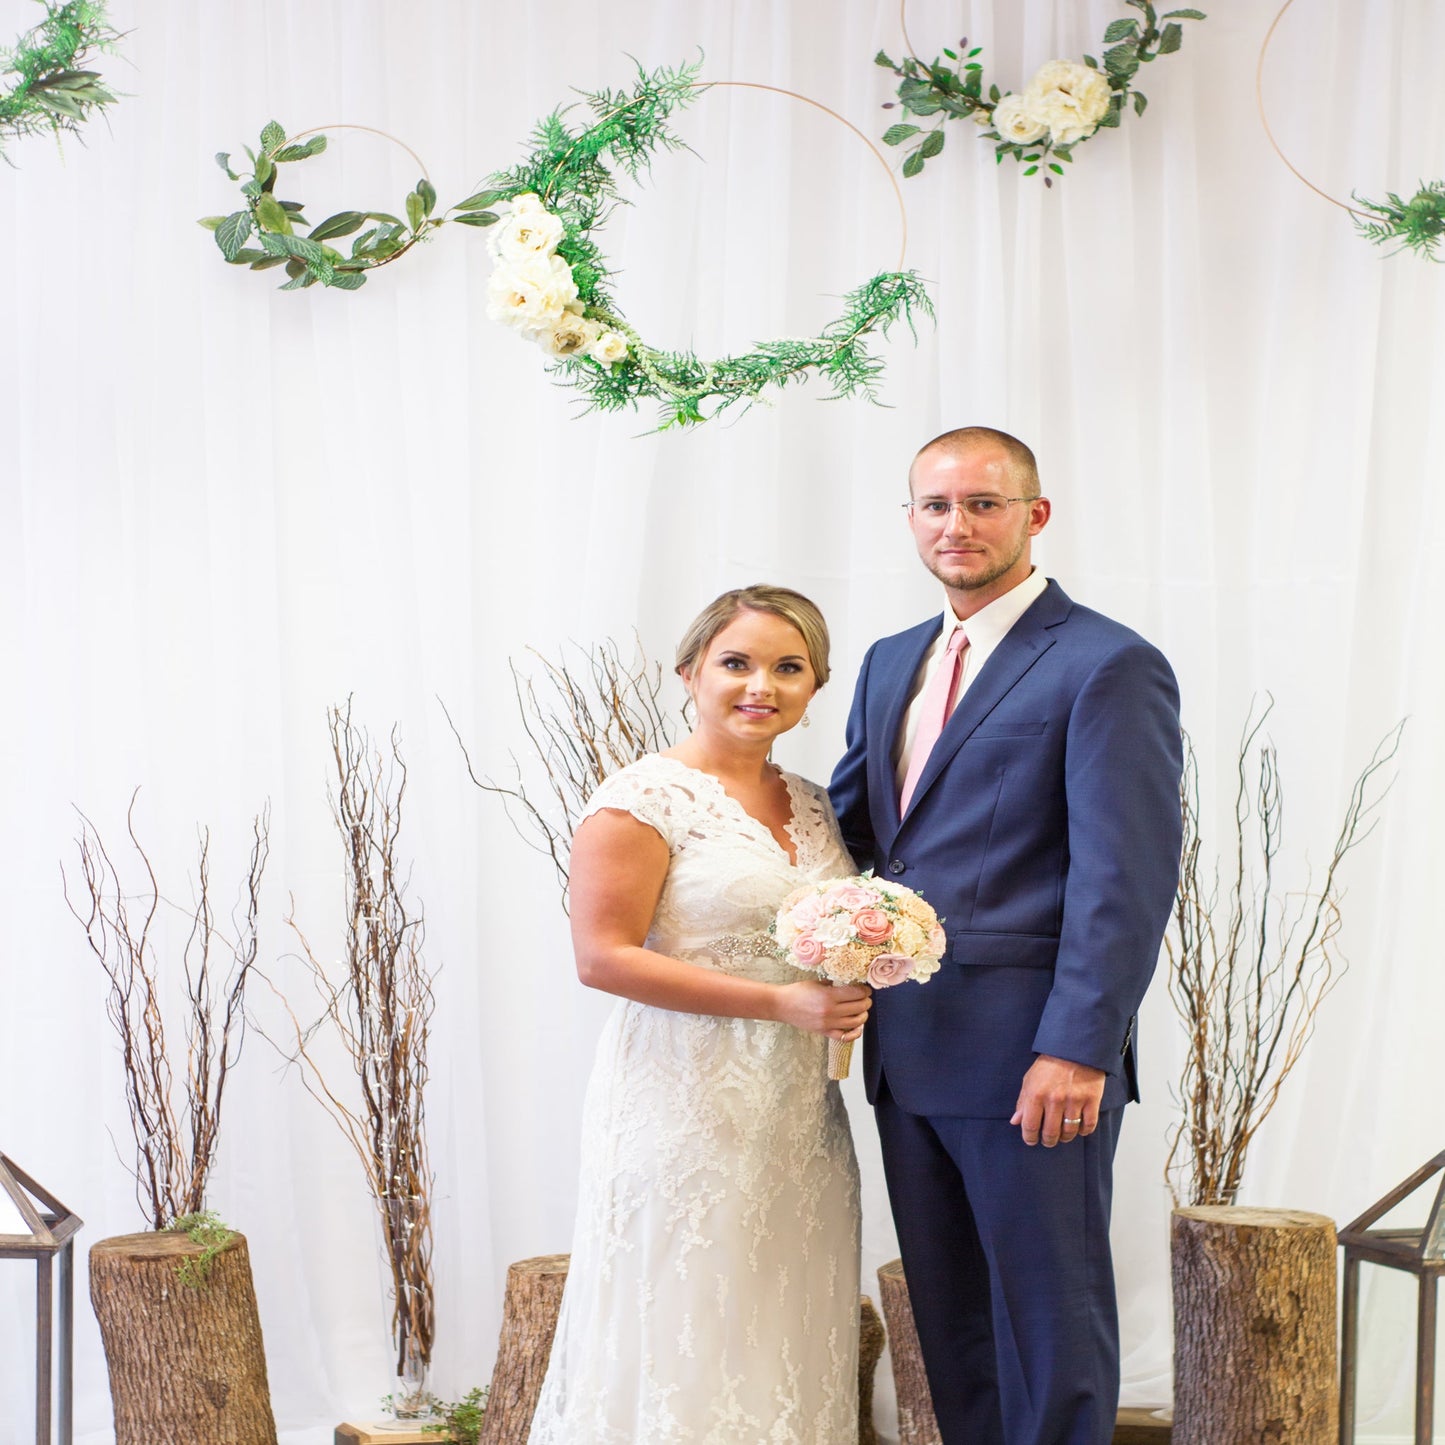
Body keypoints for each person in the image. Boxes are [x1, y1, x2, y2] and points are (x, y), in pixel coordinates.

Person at [830, 427, 1183, 1445]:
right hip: (908, 1050)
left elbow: (1123, 878)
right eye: (935, 505)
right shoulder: (888, 660)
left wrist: (1077, 1046)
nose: (957, 524)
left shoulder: (1107, 663)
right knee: (954, 1330)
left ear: (1034, 514)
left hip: (1033, 1058)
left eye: (983, 503)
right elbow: (860, 836)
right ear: (909, 519)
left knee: (1048, 1326)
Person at [529, 584, 871, 1445]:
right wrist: (779, 1001)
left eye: (787, 667)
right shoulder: (641, 798)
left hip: (797, 1111)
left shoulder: (815, 800)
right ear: (688, 672)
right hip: (681, 1101)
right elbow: (602, 956)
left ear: (815, 684)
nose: (761, 685)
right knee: (682, 1315)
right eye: (736, 662)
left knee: (781, 1313)